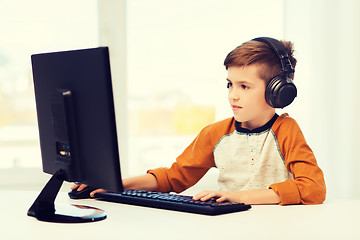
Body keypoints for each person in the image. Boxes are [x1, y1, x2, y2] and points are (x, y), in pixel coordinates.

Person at [72, 37, 326, 205]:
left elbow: (313, 189)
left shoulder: (285, 131)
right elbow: (175, 177)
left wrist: (238, 197)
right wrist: (116, 184)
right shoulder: (216, 134)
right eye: (230, 84)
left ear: (277, 91)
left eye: (244, 86)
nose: (233, 94)